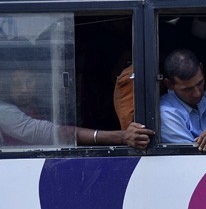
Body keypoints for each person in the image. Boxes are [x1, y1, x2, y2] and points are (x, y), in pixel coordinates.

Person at [1, 58, 152, 149]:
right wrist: (122, 136)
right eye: (16, 84)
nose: (24, 89)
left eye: (29, 82)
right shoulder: (5, 111)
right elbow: (58, 134)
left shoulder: (39, 106)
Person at [159, 48, 206, 150]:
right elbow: (191, 157)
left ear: (201, 68)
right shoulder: (165, 112)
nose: (197, 93)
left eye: (200, 83)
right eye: (187, 89)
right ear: (169, 84)